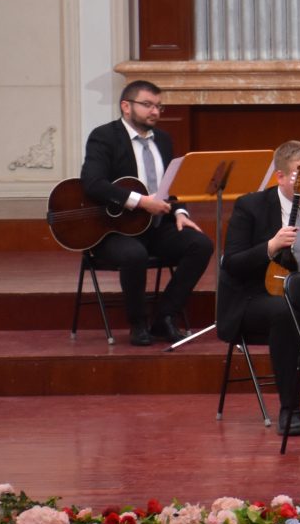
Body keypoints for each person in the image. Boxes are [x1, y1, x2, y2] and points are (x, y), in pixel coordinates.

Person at [219, 141, 300, 435]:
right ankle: (291, 408)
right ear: (280, 176)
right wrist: (271, 246)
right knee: (285, 312)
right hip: (258, 297)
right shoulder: (251, 206)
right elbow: (232, 263)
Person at [77, 79, 216, 347]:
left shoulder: (163, 140)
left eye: (158, 106)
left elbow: (171, 185)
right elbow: (92, 183)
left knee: (200, 245)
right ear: (126, 106)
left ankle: (165, 317)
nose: (155, 111)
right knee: (134, 254)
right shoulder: (104, 137)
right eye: (148, 105)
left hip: (156, 226)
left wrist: (180, 212)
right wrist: (140, 202)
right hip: (115, 229)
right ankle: (138, 324)